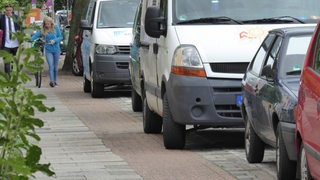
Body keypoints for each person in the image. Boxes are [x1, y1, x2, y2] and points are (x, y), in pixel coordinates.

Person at [31, 16, 62, 87]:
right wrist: (30, 39)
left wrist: (54, 40)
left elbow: (60, 37)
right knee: (51, 65)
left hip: (56, 49)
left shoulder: (56, 28)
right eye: (46, 24)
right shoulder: (43, 30)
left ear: (51, 23)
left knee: (55, 67)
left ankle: (55, 80)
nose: (47, 25)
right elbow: (36, 35)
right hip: (48, 50)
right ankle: (52, 82)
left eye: (48, 24)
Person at [0, 4, 20, 75]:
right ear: (5, 10)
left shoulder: (16, 18)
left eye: (10, 10)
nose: (8, 12)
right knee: (6, 61)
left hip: (15, 43)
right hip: (5, 43)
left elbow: (19, 28)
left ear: (12, 10)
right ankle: (8, 78)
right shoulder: (1, 18)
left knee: (13, 58)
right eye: (7, 10)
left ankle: (12, 67)